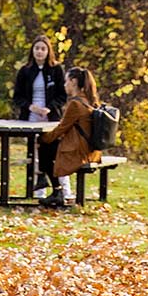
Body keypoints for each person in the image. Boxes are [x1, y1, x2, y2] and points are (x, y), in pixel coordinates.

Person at [36, 68, 104, 207]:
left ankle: (54, 189)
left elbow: (62, 128)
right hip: (91, 150)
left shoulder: (75, 104)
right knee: (48, 147)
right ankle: (49, 184)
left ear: (73, 82)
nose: (64, 85)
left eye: (66, 81)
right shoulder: (89, 100)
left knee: (45, 146)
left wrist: (42, 139)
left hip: (80, 152)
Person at [12, 36, 69, 196]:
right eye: (37, 48)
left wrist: (49, 108)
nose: (39, 51)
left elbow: (62, 96)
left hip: (51, 118)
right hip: (30, 117)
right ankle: (39, 192)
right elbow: (17, 97)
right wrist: (31, 107)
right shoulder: (25, 70)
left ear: (48, 51)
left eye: (43, 49)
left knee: (56, 153)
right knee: (35, 153)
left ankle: (64, 191)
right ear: (32, 50)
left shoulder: (56, 69)